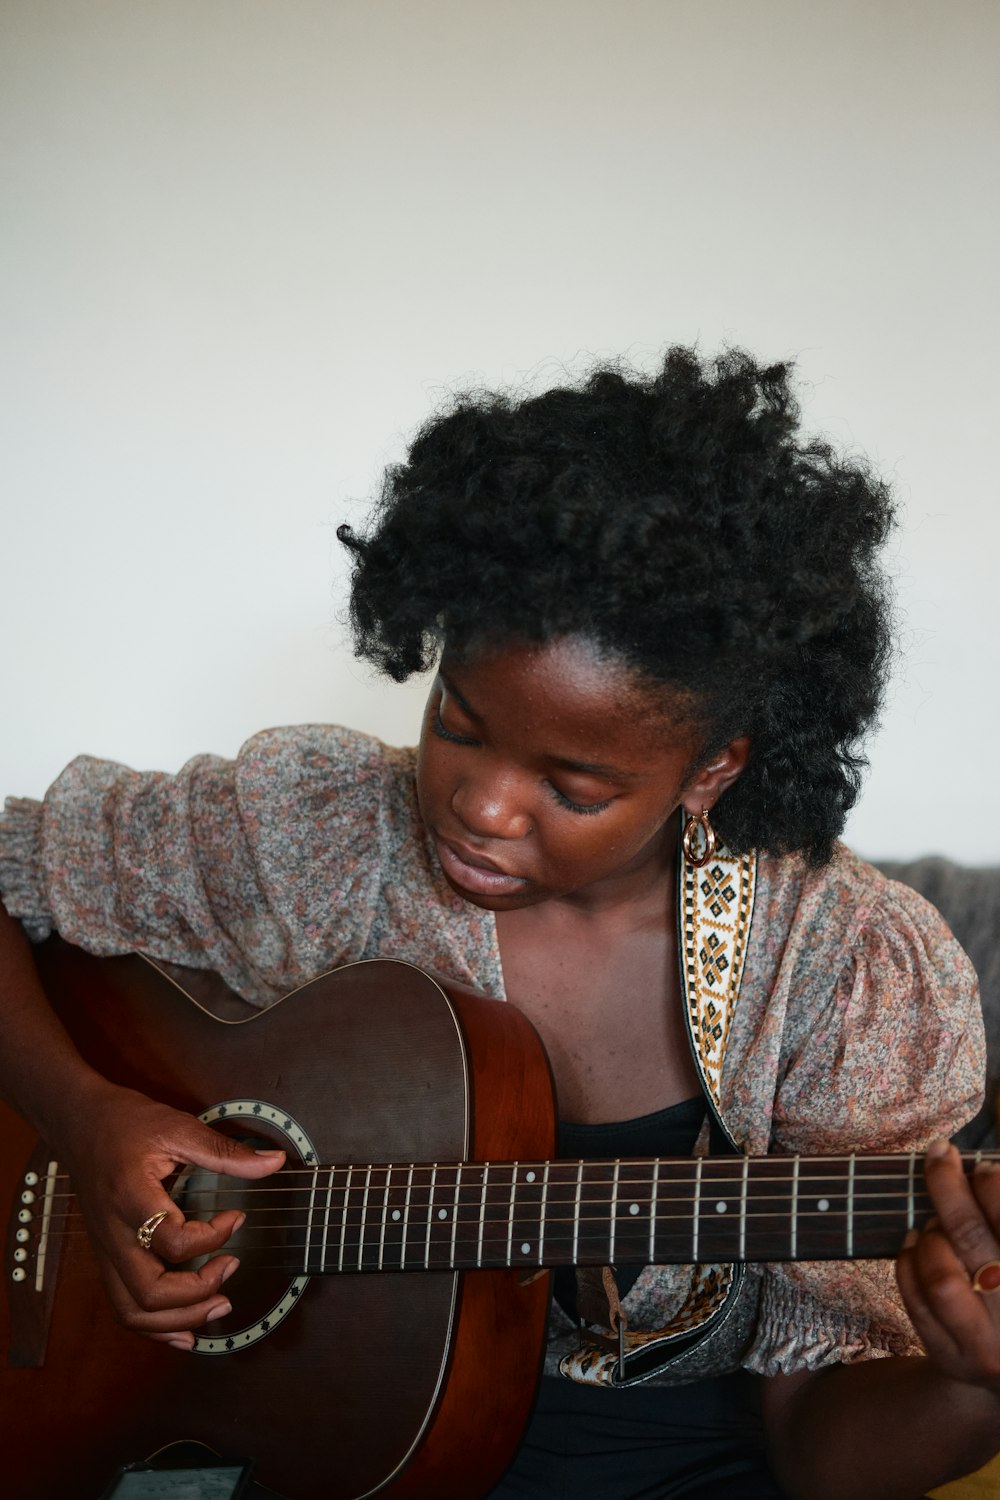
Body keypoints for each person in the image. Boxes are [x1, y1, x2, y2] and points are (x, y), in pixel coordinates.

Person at [1, 346, 998, 1500]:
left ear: (712, 768)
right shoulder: (315, 831)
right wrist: (81, 1113)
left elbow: (826, 1461)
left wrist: (970, 1389)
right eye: (459, 724)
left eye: (574, 788)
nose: (479, 806)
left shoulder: (843, 967)